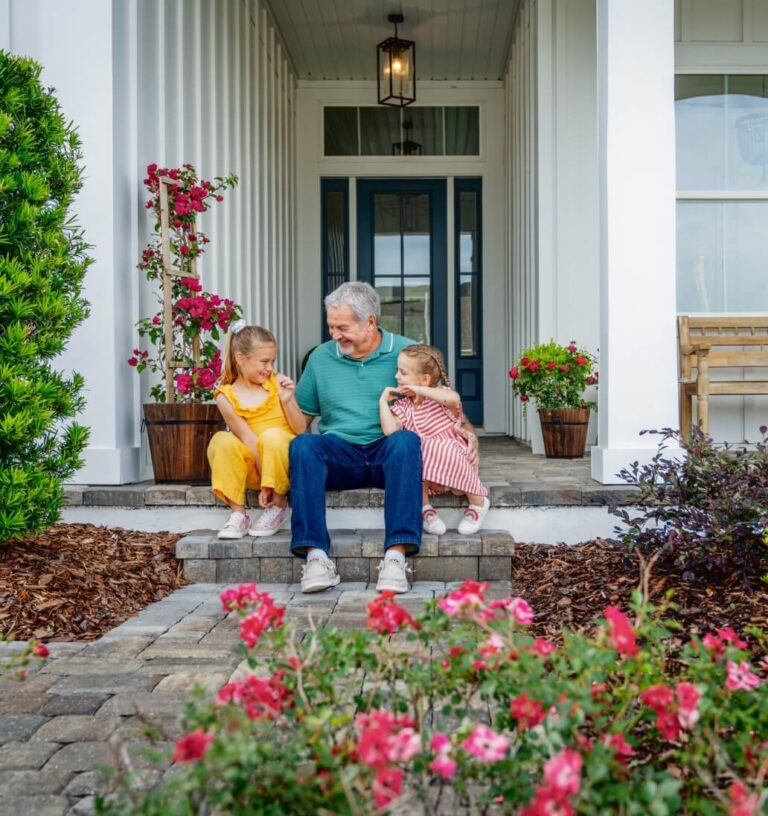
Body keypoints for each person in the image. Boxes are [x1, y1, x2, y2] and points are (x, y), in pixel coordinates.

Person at [290, 282, 479, 595]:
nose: (335, 335)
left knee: (406, 441)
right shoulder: (320, 359)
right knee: (303, 445)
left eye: (342, 327)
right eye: (331, 326)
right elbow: (301, 423)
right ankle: (316, 557)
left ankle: (395, 556)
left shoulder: (408, 353)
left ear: (370, 322)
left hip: (388, 454)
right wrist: (284, 403)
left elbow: (449, 404)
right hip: (341, 454)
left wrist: (468, 433)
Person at [207, 322, 306, 540]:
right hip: (257, 466)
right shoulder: (225, 396)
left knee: (272, 435)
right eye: (264, 362)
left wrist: (287, 400)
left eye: (272, 361)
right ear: (241, 358)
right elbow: (249, 440)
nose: (269, 368)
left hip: (284, 465)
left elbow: (300, 429)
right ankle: (238, 514)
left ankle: (278, 506)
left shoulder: (276, 384)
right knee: (221, 440)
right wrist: (264, 483)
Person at [379, 344, 490, 537]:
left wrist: (420, 390)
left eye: (403, 373)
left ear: (425, 379)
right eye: (398, 371)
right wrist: (383, 402)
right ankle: (426, 510)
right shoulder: (404, 406)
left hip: (453, 458)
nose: (397, 376)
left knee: (450, 451)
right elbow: (390, 430)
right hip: (428, 470)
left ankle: (478, 502)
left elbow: (454, 399)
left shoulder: (440, 397)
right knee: (415, 453)